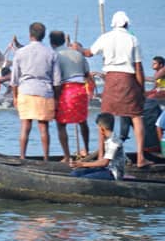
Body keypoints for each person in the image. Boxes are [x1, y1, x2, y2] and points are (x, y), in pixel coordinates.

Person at [85, 10, 150, 167]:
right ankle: (141, 157)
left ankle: (101, 155)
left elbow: (89, 53)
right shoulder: (133, 39)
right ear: (127, 24)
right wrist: (141, 90)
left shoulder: (105, 37)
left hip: (111, 80)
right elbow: (139, 68)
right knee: (136, 116)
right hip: (128, 80)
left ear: (113, 24)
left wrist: (77, 48)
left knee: (105, 117)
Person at [10, 21, 62, 160]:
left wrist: (15, 97)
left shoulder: (20, 52)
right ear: (43, 36)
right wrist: (57, 99)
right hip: (44, 92)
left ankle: (22, 156)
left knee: (25, 126)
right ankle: (46, 158)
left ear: (30, 35)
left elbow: (14, 79)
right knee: (43, 127)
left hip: (25, 91)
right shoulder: (51, 53)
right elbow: (57, 81)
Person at [50, 30, 92, 163]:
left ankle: (67, 156)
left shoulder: (55, 55)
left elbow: (55, 78)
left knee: (61, 124)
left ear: (52, 42)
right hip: (80, 90)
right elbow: (87, 74)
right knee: (83, 121)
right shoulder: (78, 54)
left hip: (66, 90)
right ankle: (87, 150)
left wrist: (54, 97)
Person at [70, 113, 126, 180]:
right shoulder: (109, 139)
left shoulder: (114, 142)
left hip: (113, 173)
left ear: (102, 129)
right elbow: (99, 155)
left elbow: (104, 162)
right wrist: (81, 161)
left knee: (84, 179)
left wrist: (82, 164)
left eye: (98, 128)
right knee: (75, 174)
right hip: (106, 169)